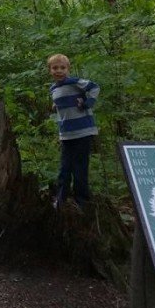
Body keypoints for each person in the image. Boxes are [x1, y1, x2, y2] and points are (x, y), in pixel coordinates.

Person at [48, 53, 100, 208]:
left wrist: (86, 103)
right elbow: (62, 103)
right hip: (66, 133)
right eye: (55, 68)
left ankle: (82, 200)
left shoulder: (74, 82)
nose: (59, 71)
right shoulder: (53, 89)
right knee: (64, 167)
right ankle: (61, 198)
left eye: (62, 68)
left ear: (68, 69)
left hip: (83, 131)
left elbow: (95, 87)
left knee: (80, 167)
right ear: (50, 70)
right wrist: (56, 106)